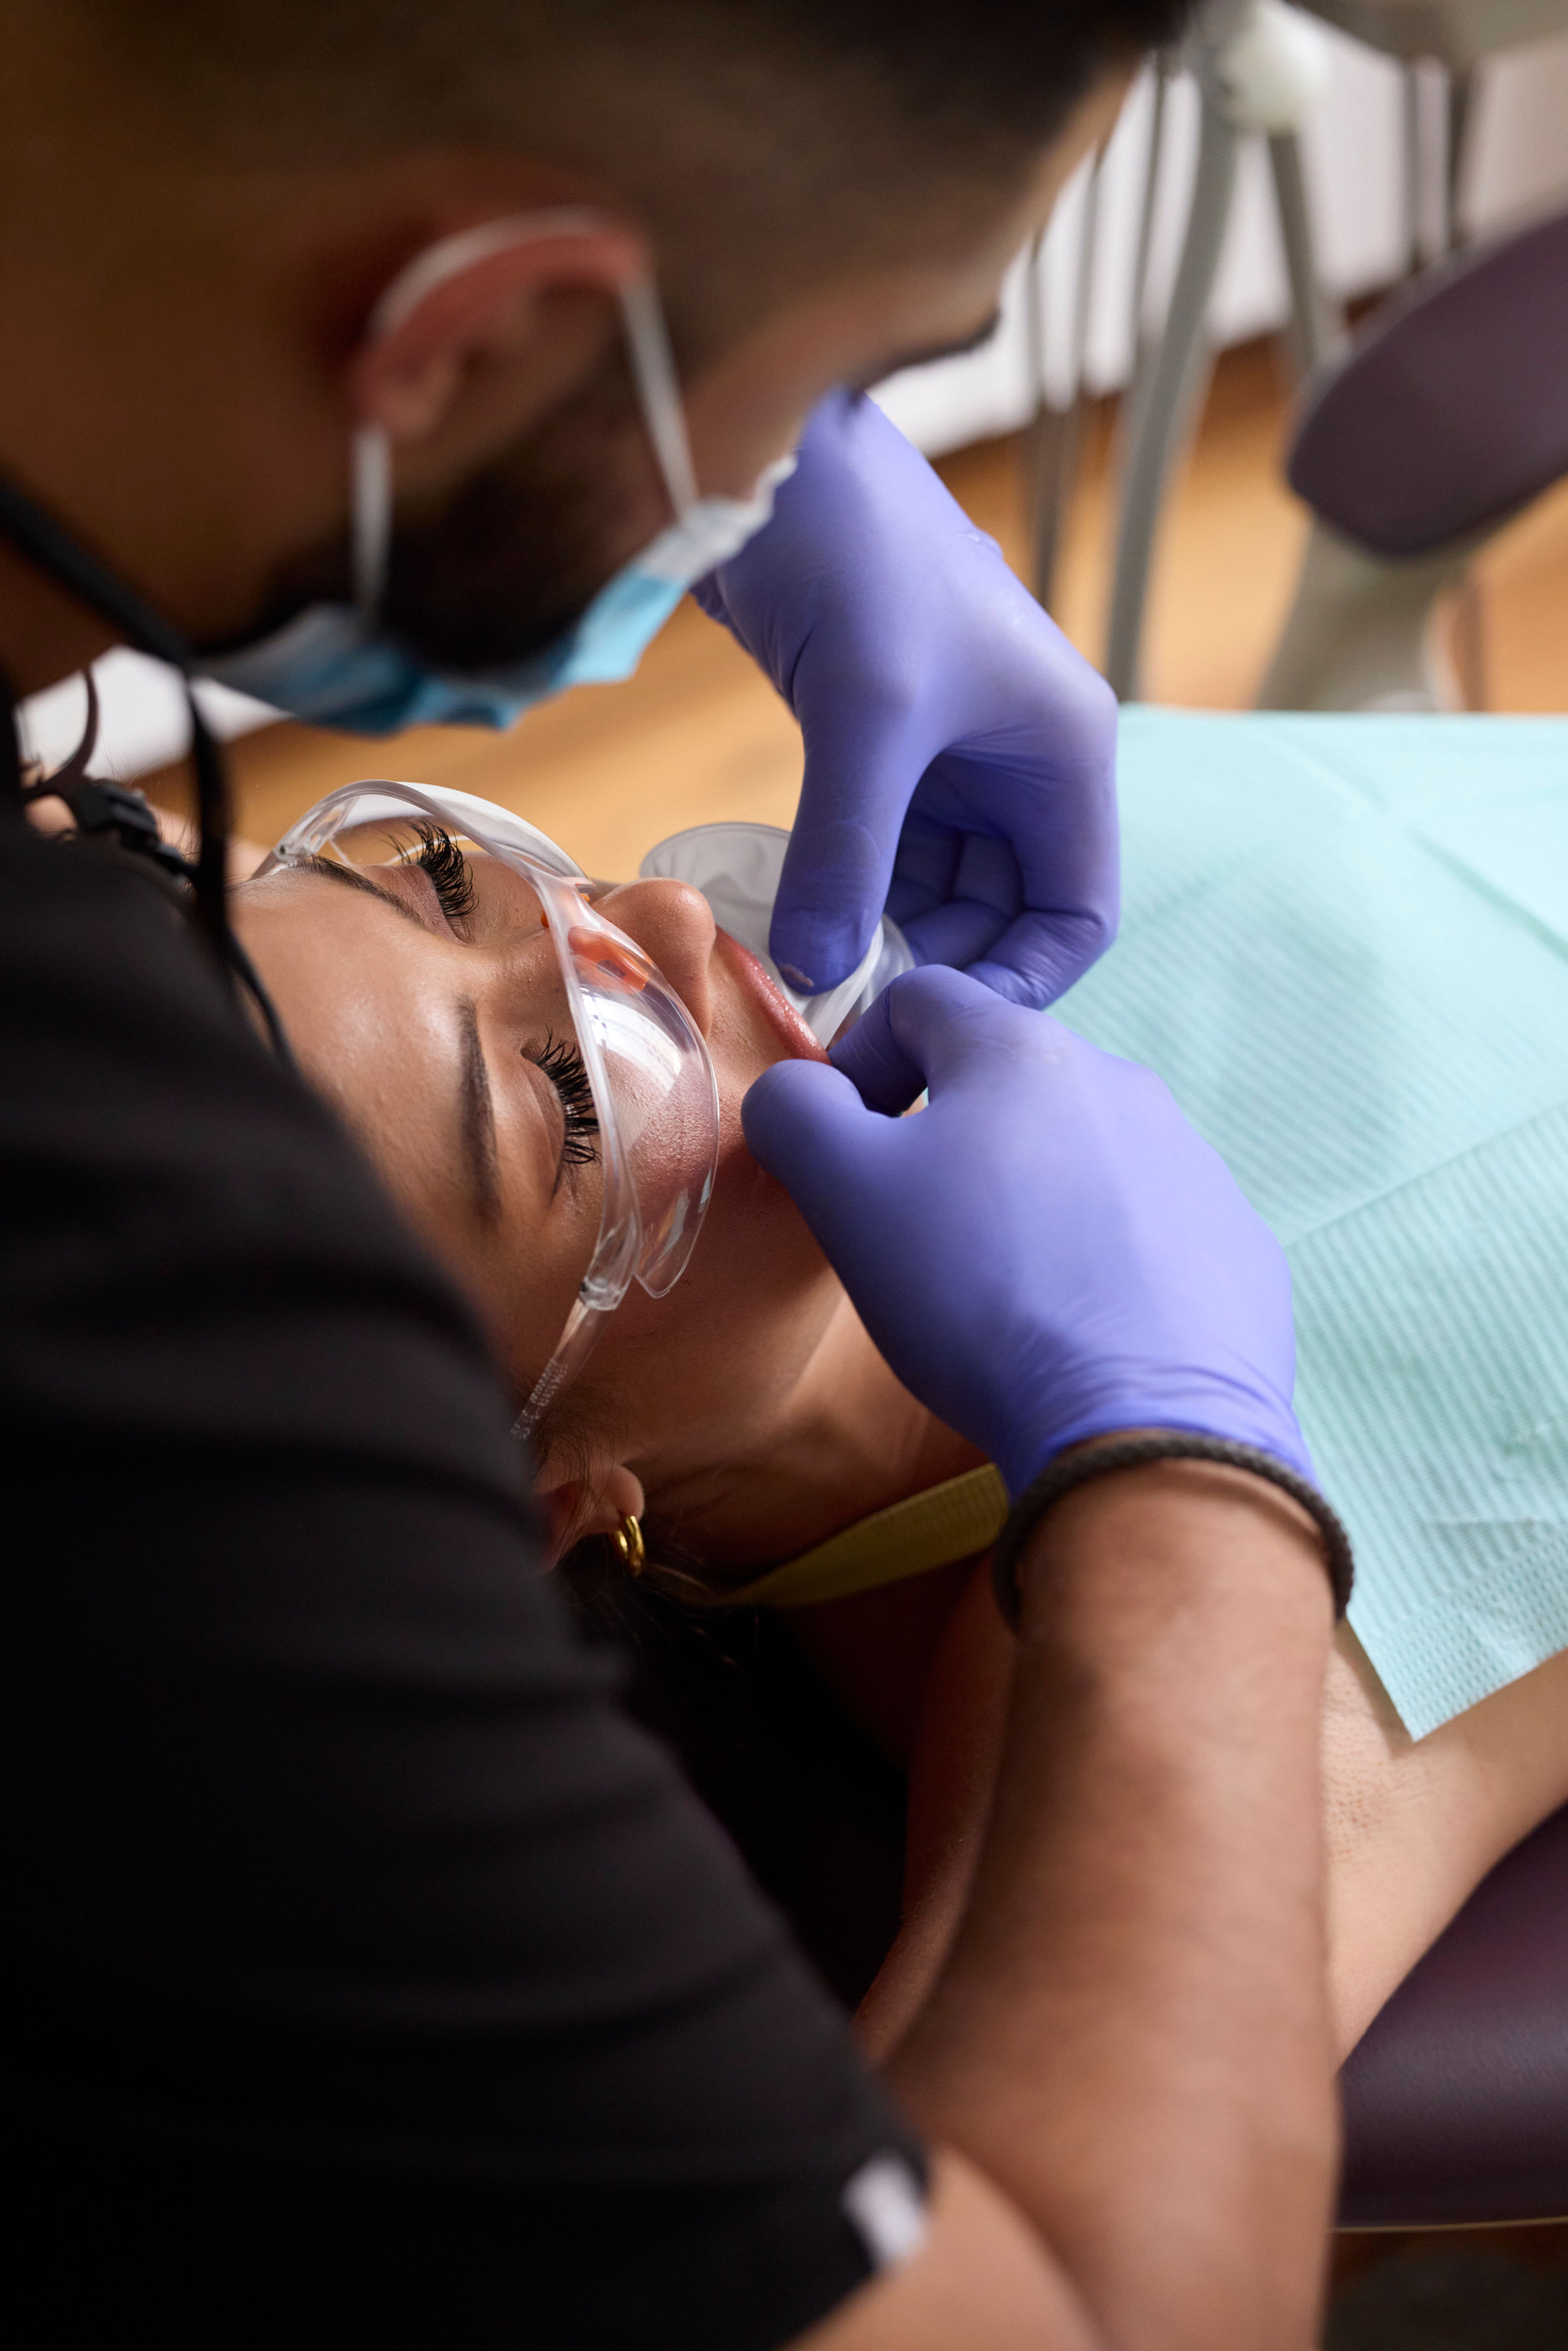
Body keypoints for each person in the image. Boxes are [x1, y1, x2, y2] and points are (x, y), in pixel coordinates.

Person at [3, 7, 1357, 2345]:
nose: (643, 931)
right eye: (550, 1104)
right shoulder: (118, 1393)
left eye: (448, 874)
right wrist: (1183, 1483)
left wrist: (773, 439)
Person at [232, 793, 1568, 2064]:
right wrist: (1163, 1432)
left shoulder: (942, 904)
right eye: (575, 1094)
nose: (670, 916)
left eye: (446, 883)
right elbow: (1015, 2275)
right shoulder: (1130, 1650)